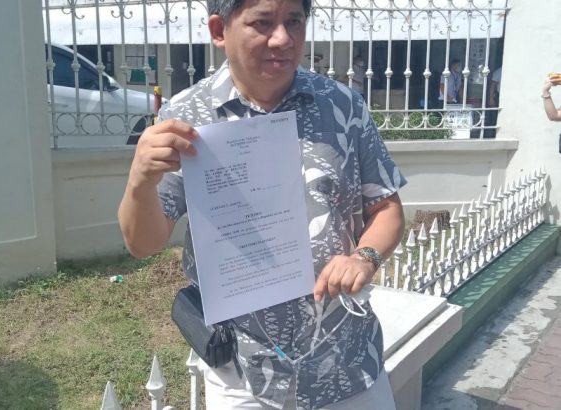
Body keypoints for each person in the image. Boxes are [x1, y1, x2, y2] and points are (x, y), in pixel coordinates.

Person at [118, 0, 406, 409]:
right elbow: (143, 243)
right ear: (219, 31)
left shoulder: (342, 106)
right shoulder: (186, 117)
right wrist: (140, 182)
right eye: (263, 23)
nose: (283, 39)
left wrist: (364, 257)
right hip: (245, 374)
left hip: (348, 361)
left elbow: (386, 207)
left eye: (294, 21)